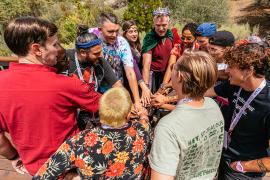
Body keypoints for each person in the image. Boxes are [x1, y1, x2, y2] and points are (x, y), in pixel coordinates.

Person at [0, 16, 100, 175]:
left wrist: (13, 156)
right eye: (54, 44)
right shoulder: (66, 84)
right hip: (71, 169)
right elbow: (107, 105)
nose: (59, 49)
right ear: (36, 49)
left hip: (37, 171)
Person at [33, 87, 151, 179]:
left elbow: (43, 176)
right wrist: (143, 115)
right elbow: (145, 124)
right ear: (128, 113)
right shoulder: (142, 131)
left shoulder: (80, 141)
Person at [149, 50, 224, 179]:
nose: (171, 70)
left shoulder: (167, 127)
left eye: (173, 67)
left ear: (179, 76)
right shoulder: (213, 105)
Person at [206, 43, 270, 179]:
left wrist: (242, 166)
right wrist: (168, 99)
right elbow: (204, 93)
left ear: (248, 71)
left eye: (231, 66)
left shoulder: (268, 103)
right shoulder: (235, 85)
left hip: (242, 172)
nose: (227, 71)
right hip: (224, 155)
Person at [66, 25, 122, 129]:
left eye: (100, 51)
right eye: (96, 53)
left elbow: (118, 86)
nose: (101, 55)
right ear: (83, 52)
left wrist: (125, 104)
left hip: (93, 116)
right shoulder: (65, 59)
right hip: (71, 119)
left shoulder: (101, 62)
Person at [89, 13, 141, 109]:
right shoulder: (91, 37)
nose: (114, 35)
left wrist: (137, 102)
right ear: (100, 30)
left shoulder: (122, 43)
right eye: (110, 31)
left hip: (117, 90)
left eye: (117, 31)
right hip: (97, 92)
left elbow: (130, 72)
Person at [141, 7, 180, 93]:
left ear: (168, 23)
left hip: (167, 73)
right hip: (153, 76)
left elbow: (173, 58)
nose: (161, 28)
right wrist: (146, 86)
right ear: (154, 24)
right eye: (158, 25)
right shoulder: (149, 38)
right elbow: (146, 64)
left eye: (164, 25)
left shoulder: (171, 34)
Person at [122, 20, 152, 106]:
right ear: (125, 34)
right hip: (131, 81)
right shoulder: (126, 49)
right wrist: (144, 87)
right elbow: (134, 66)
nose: (134, 34)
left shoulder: (137, 46)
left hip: (140, 80)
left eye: (135, 31)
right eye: (130, 32)